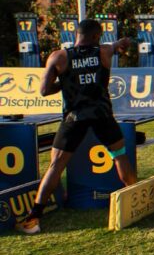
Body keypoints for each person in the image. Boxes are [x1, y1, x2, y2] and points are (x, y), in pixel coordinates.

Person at [16, 19, 135, 234]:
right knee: (120, 156)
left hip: (74, 118)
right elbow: (117, 45)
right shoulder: (104, 52)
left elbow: (43, 90)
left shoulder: (59, 56)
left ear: (77, 35)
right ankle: (135, 202)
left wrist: (68, 80)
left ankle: (33, 217)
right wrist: (123, 42)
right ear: (96, 37)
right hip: (102, 115)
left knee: (56, 166)